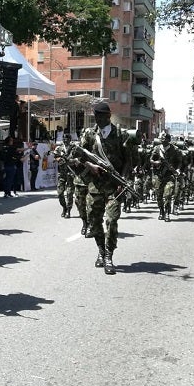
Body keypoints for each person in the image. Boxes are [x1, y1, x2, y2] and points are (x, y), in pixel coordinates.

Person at [69, 101, 136, 275]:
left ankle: (109, 256)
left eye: (101, 116)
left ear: (108, 116)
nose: (98, 119)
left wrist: (124, 181)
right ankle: (101, 249)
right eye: (95, 116)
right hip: (95, 186)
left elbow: (129, 161)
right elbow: (78, 156)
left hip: (114, 186)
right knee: (94, 222)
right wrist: (90, 166)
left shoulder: (121, 135)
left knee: (112, 220)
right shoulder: (90, 135)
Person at [149, 130, 181, 222]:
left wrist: (178, 169)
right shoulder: (157, 148)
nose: (162, 139)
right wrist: (156, 162)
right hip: (158, 175)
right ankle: (161, 211)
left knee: (168, 195)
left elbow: (180, 161)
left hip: (169, 175)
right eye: (161, 138)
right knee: (159, 196)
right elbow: (150, 159)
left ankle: (167, 212)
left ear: (168, 140)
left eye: (164, 138)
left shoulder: (175, 149)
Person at [52, 133, 74, 218]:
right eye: (64, 138)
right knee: (60, 193)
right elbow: (55, 157)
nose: (65, 140)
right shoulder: (59, 148)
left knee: (69, 193)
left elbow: (77, 158)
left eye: (67, 139)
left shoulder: (73, 148)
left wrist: (70, 160)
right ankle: (64, 207)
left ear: (70, 139)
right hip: (61, 173)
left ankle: (68, 210)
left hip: (70, 173)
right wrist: (59, 159)